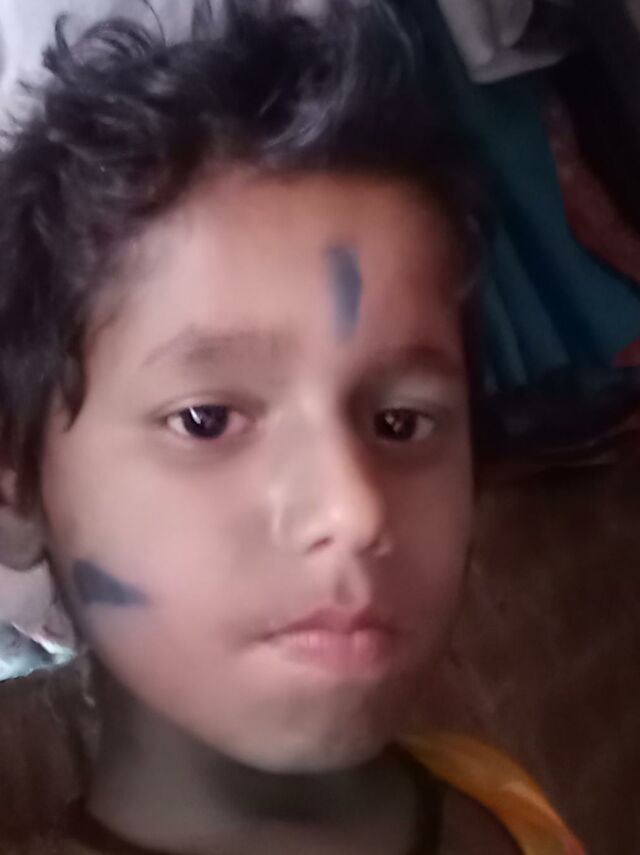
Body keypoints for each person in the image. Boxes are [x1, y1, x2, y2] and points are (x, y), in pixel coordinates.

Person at [0, 1, 584, 852]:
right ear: (19, 479)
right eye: (206, 419)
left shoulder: (501, 803)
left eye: (400, 421)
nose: (354, 508)